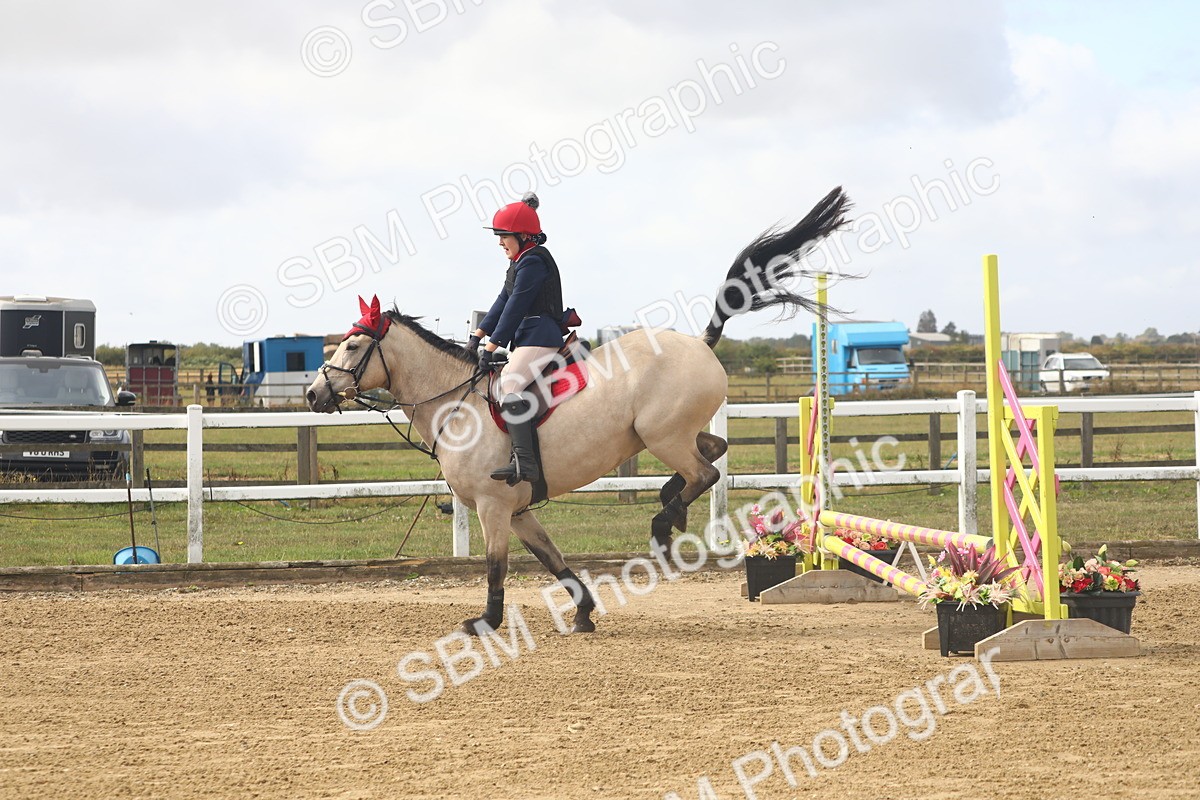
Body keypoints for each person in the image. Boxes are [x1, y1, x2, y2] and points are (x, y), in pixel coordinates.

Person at [466, 193, 566, 485]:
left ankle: (526, 463)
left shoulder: (534, 262)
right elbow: (502, 301)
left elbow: (516, 307)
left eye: (504, 236)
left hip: (540, 336)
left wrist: (491, 347)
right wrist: (477, 336)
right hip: (528, 337)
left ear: (522, 235)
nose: (499, 242)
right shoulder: (520, 262)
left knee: (509, 385)